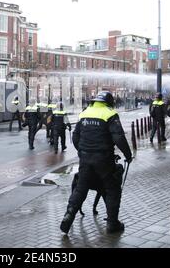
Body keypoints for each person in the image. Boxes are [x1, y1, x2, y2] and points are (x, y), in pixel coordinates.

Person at [60, 91, 132, 235]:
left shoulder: (85, 113)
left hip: (85, 159)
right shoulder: (110, 114)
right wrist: (128, 155)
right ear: (109, 102)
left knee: (80, 189)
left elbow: (75, 137)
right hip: (104, 159)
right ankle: (112, 224)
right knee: (112, 189)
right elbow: (118, 137)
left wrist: (82, 151)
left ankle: (68, 216)